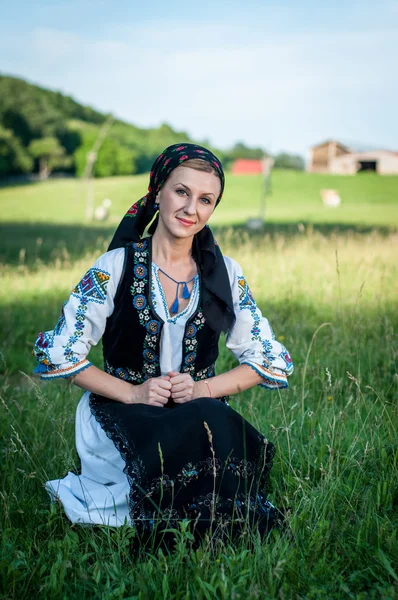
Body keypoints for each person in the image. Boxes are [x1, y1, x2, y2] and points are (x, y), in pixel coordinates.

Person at [33, 143, 294, 542]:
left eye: (206, 200)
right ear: (158, 192)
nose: (192, 209)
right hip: (121, 412)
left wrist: (203, 389)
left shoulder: (225, 272)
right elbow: (61, 353)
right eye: (182, 192)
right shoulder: (115, 266)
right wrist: (134, 393)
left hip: (200, 417)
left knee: (210, 427)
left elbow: (266, 360)